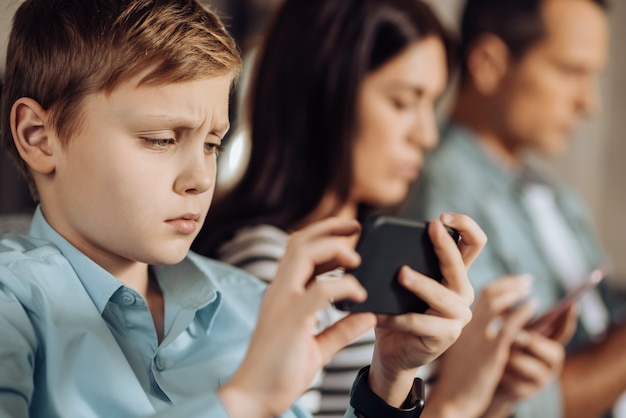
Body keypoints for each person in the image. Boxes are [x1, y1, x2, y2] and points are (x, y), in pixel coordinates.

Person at [0, 0, 484, 417]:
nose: (200, 178)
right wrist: (245, 400)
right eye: (161, 139)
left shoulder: (252, 304)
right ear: (38, 138)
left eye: (212, 144)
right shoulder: (14, 304)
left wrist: (388, 379)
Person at [192, 0, 566, 417]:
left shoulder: (368, 254)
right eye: (404, 102)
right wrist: (458, 401)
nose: (426, 135)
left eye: (432, 105)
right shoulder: (270, 266)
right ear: (326, 93)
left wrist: (495, 394)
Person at [405, 0, 626, 417]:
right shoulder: (443, 194)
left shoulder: (558, 197)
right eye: (570, 71)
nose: (589, 103)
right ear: (489, 63)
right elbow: (527, 402)